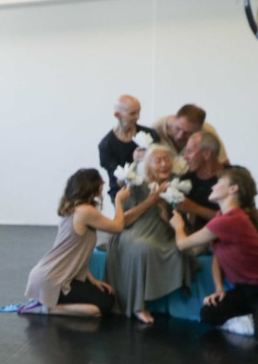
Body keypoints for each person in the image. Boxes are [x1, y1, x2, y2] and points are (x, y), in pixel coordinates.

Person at [105, 144, 196, 323]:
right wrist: (149, 201)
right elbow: (123, 220)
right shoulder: (136, 185)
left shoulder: (176, 184)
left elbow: (180, 219)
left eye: (166, 160)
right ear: (148, 166)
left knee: (184, 250)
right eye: (158, 161)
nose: (164, 164)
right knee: (142, 247)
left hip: (163, 231)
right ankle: (138, 306)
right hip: (135, 230)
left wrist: (166, 215)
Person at [21, 168, 129, 317]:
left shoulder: (74, 209)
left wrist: (92, 280)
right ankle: (48, 308)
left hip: (48, 276)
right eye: (100, 181)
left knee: (107, 298)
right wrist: (119, 201)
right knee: (99, 308)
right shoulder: (85, 211)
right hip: (51, 280)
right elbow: (117, 227)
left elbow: (77, 253)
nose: (103, 183)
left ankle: (48, 304)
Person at [170, 166, 258, 332]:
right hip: (245, 290)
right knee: (209, 313)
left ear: (233, 189)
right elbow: (218, 256)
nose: (212, 186)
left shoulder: (231, 220)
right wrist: (219, 288)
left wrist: (178, 225)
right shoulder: (221, 218)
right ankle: (249, 318)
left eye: (218, 182)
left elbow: (182, 244)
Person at [98, 95, 159, 204]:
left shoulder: (150, 134)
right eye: (132, 114)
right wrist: (135, 162)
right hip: (123, 194)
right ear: (117, 115)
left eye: (138, 112)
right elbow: (118, 179)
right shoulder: (107, 145)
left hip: (150, 190)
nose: (137, 117)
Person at [177, 130, 227, 234]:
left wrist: (195, 208)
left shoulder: (234, 176)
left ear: (206, 154)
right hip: (199, 237)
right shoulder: (186, 180)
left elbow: (237, 218)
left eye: (189, 151)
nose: (185, 156)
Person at [152, 103, 229, 163]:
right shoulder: (158, 127)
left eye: (187, 133)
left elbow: (222, 162)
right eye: (177, 129)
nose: (180, 136)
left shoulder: (207, 132)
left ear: (199, 130)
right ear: (175, 119)